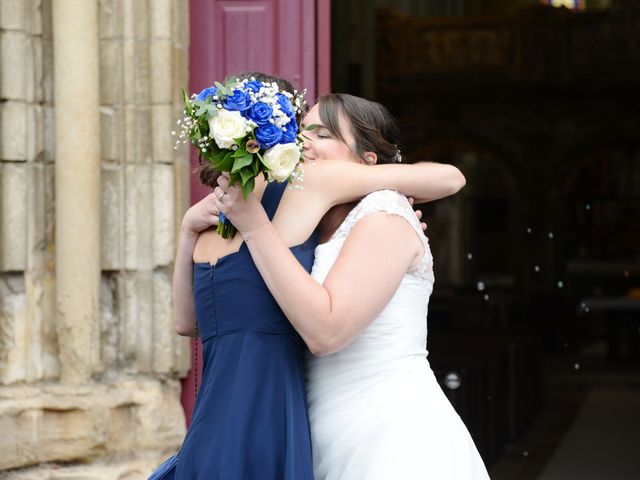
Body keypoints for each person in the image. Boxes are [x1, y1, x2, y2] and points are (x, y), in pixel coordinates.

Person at [160, 72, 466, 479]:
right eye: (300, 131)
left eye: (320, 134)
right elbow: (188, 322)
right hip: (300, 417)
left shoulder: (368, 210)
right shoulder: (290, 216)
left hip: (372, 425)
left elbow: (450, 178)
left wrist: (391, 208)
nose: (303, 143)